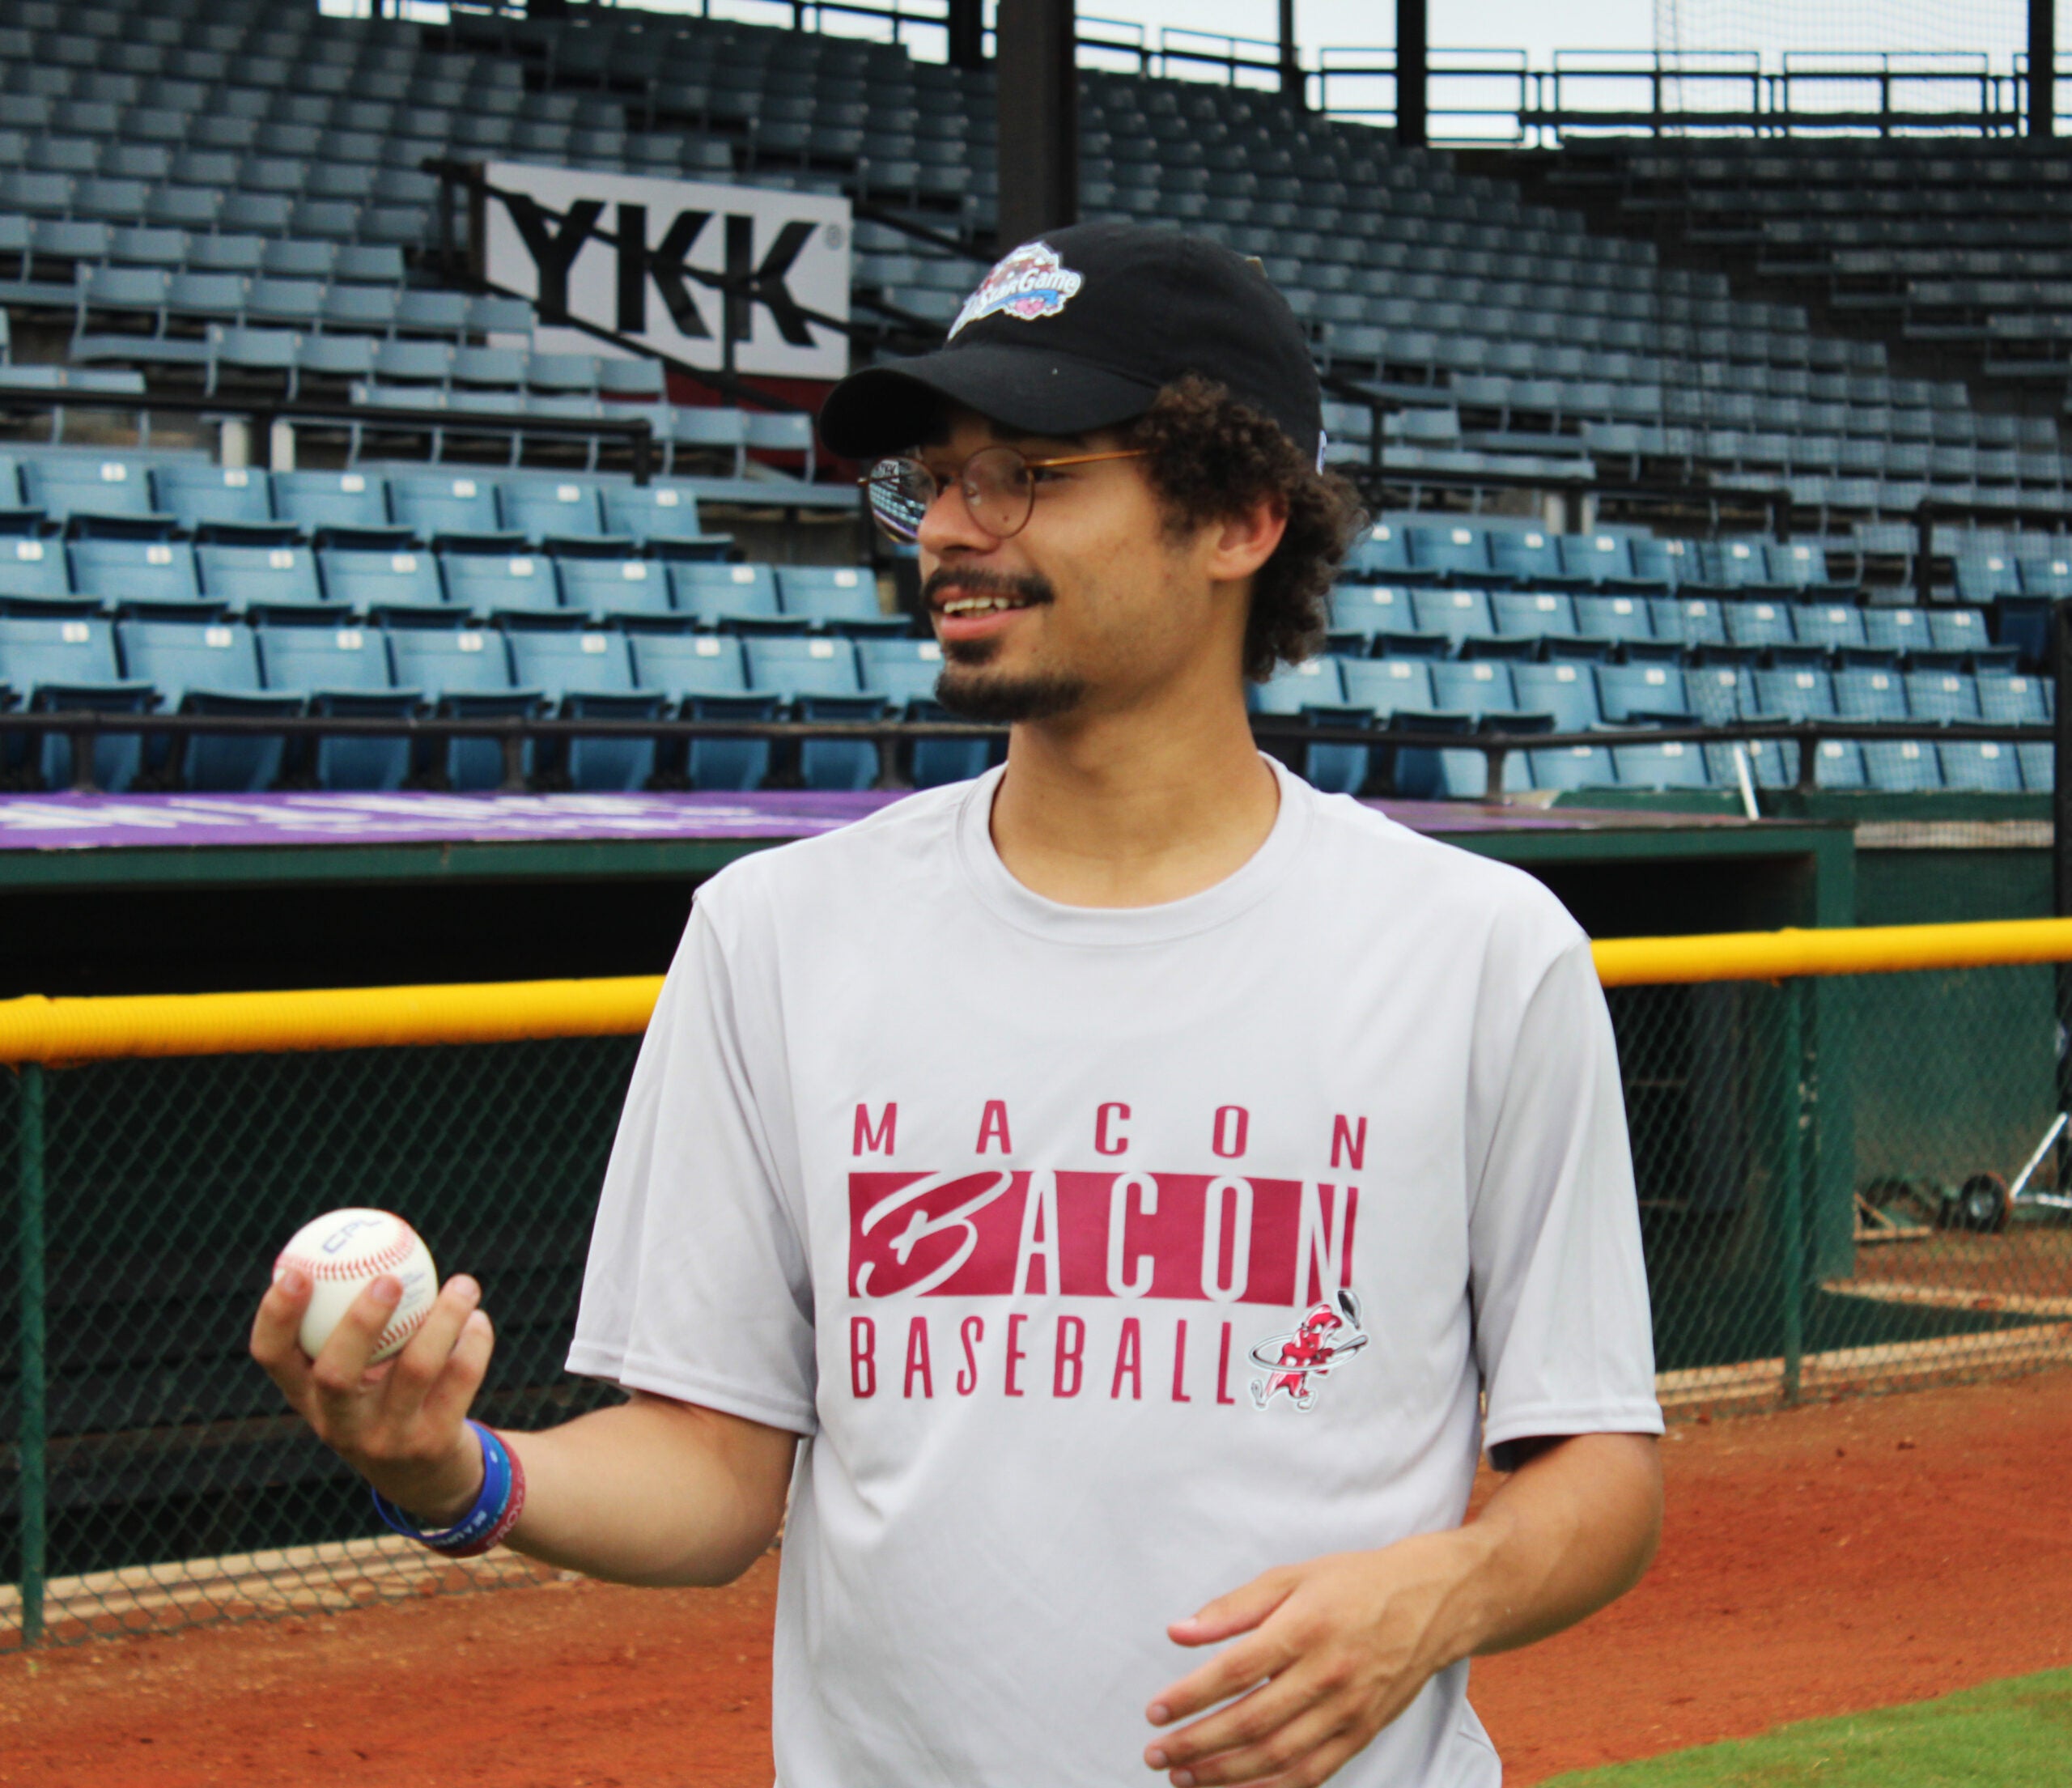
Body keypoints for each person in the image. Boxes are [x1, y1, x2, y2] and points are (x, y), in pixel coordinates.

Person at [253, 221, 1665, 1788]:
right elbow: (712, 1479)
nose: (947, 529)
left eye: (1032, 474)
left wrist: (1438, 1588)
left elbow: (1594, 1458)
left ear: (1239, 519)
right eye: (934, 478)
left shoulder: (1475, 948)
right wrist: (458, 1469)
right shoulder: (774, 934)